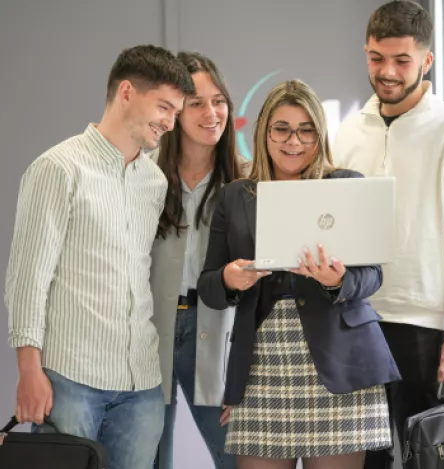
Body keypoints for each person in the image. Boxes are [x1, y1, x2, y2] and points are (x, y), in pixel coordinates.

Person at [4, 45, 195, 469]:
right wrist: (29, 371)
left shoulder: (153, 181)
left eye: (175, 112)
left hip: (142, 384)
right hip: (71, 378)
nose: (169, 122)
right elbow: (27, 278)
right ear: (126, 91)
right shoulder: (58, 168)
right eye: (164, 106)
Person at [197, 79, 401, 469]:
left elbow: (373, 275)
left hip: (339, 360)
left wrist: (336, 281)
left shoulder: (345, 185)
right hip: (263, 360)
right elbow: (209, 285)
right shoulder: (236, 196)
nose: (295, 141)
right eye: (282, 128)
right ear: (264, 133)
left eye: (307, 130)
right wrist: (229, 278)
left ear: (320, 135)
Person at [331, 2, 444, 467]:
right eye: (377, 58)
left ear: (426, 60)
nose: (388, 72)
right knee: (368, 460)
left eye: (402, 60)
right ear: (366, 53)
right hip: (355, 319)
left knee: (425, 457)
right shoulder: (347, 133)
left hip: (423, 324)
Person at [149, 51, 243, 469]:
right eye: (196, 103)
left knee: (237, 458)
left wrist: (243, 376)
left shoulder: (245, 182)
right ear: (175, 113)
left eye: (218, 100)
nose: (211, 113)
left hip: (217, 329)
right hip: (151, 330)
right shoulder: (144, 175)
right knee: (150, 458)